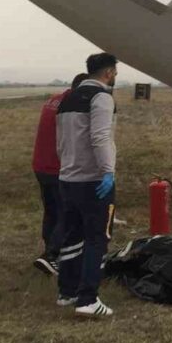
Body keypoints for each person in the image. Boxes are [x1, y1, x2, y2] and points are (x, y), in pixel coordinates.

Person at [55, 53, 119, 317]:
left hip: (68, 178)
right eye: (115, 71)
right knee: (96, 239)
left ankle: (66, 292)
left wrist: (66, 167)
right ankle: (88, 299)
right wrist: (108, 172)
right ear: (108, 73)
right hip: (93, 181)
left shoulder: (67, 98)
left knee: (72, 236)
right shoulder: (101, 97)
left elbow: (61, 141)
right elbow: (101, 136)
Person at [31, 72, 88, 276]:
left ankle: (49, 251)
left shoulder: (54, 100)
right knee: (68, 211)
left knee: (52, 210)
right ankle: (51, 256)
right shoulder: (73, 105)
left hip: (40, 165)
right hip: (58, 168)